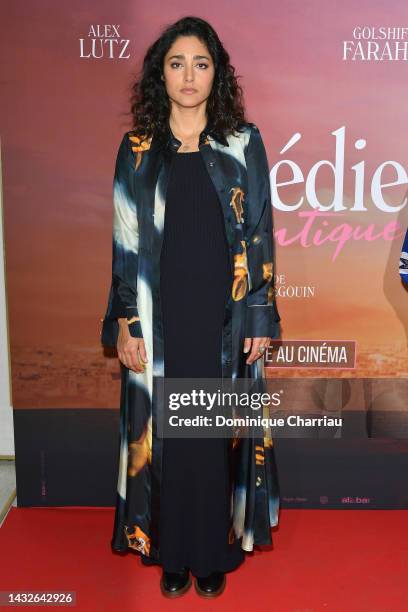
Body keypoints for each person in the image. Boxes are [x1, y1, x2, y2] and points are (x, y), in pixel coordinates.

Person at [101, 15, 281, 598]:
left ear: (216, 75)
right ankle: (172, 552)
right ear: (161, 73)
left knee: (210, 434)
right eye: (176, 63)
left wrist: (258, 313)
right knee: (168, 437)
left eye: (201, 64)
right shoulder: (136, 150)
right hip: (160, 317)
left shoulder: (242, 142)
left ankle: (212, 552)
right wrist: (127, 321)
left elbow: (259, 232)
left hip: (221, 318)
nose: (188, 75)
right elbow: (125, 243)